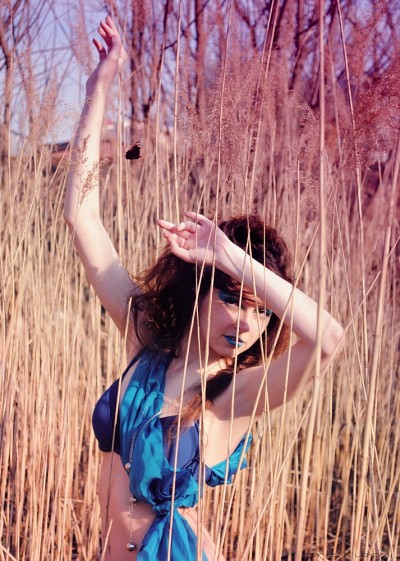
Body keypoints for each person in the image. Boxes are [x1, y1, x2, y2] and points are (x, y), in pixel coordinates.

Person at [63, 16, 344, 561]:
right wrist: (101, 84)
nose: (245, 323)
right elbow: (82, 217)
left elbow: (328, 337)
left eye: (261, 312)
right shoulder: (145, 338)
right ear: (199, 291)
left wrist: (233, 259)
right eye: (232, 299)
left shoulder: (235, 395)